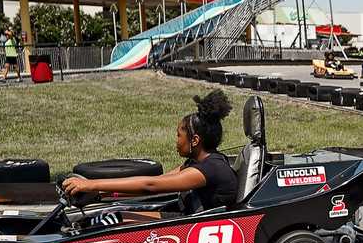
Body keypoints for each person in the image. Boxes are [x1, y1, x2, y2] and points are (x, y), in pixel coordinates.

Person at [62, 90, 238, 213]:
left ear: (195, 140)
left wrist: (91, 184)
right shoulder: (196, 163)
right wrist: (101, 194)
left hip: (199, 231)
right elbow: (159, 182)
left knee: (118, 222)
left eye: (179, 135)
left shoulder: (209, 169)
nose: (176, 141)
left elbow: (151, 186)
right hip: (189, 219)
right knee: (115, 216)